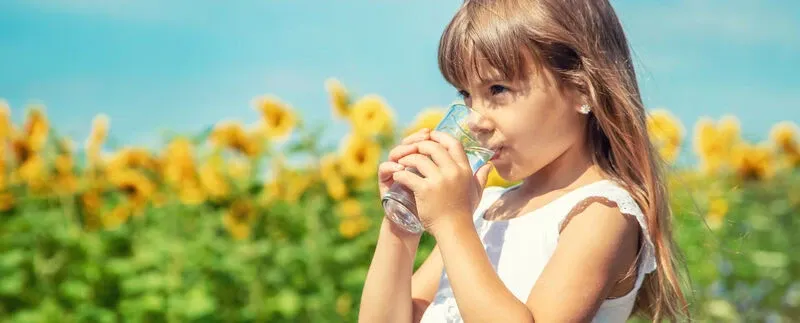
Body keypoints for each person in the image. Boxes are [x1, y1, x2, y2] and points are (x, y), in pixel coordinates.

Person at [358, 0, 689, 322]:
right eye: (466, 95)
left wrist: (451, 222)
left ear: (582, 89)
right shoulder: (485, 210)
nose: (475, 120)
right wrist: (402, 223)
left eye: (498, 89)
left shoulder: (601, 212)